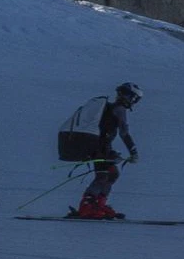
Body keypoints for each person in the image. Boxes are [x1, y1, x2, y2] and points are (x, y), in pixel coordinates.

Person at [61, 83, 142, 220]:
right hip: (99, 148)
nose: (133, 102)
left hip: (102, 147)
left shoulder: (111, 108)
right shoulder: (119, 109)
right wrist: (133, 151)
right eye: (133, 98)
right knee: (102, 177)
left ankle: (98, 205)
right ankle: (86, 208)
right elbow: (124, 133)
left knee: (112, 174)